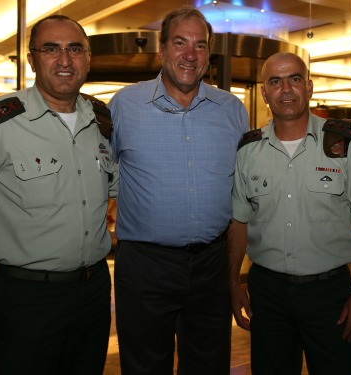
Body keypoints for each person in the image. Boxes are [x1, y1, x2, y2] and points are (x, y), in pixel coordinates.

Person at [0, 15, 117, 374]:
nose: (64, 60)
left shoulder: (100, 119)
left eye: (74, 48)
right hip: (26, 298)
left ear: (88, 58)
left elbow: (115, 186)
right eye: (51, 49)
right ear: (32, 60)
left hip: (93, 294)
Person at [108, 5, 249, 374]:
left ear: (209, 54)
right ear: (162, 50)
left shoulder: (232, 110)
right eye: (180, 43)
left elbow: (243, 195)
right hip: (144, 267)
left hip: (211, 266)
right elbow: (101, 175)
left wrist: (233, 273)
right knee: (143, 367)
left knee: (209, 365)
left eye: (200, 45)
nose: (190, 55)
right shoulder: (124, 105)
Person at [228, 52, 351, 374]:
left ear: (309, 87)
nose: (286, 89)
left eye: (295, 79)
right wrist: (231, 281)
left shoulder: (344, 142)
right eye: (275, 81)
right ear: (265, 93)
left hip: (331, 294)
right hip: (267, 293)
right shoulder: (247, 151)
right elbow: (238, 222)